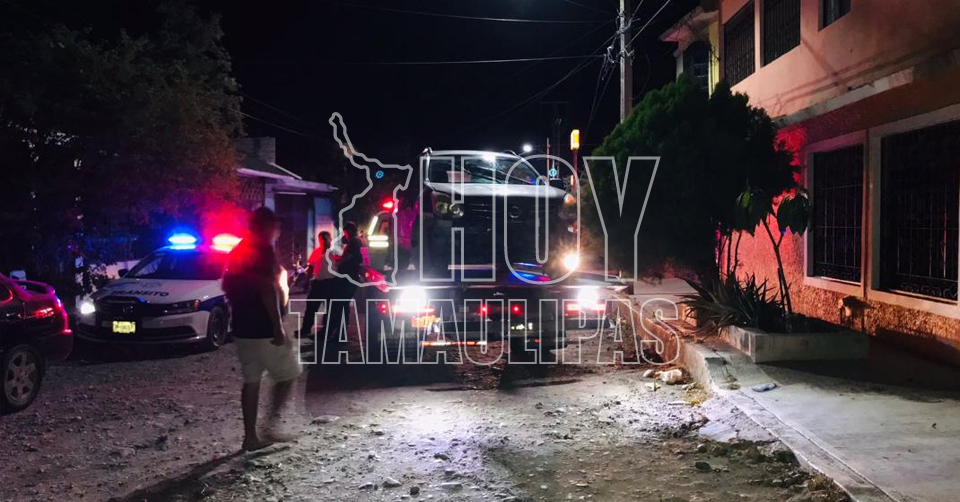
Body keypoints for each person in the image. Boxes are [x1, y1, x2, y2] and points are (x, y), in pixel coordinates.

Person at [222, 207, 301, 451]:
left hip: (242, 328)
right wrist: (277, 325)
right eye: (275, 225)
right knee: (289, 374)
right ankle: (269, 427)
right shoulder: (262, 250)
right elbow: (267, 288)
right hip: (263, 327)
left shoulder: (238, 251)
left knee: (251, 380)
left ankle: (250, 437)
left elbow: (227, 285)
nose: (278, 230)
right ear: (266, 226)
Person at [324, 221, 363, 355]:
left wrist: (338, 261)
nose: (344, 235)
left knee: (341, 305)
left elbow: (347, 258)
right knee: (342, 305)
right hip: (351, 277)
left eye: (345, 233)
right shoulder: (359, 241)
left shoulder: (354, 242)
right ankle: (340, 334)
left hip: (348, 278)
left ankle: (340, 335)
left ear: (349, 231)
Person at [298, 231, 335, 337]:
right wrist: (307, 282)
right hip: (318, 283)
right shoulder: (317, 252)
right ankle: (306, 329)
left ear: (330, 239)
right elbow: (311, 267)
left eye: (325, 239)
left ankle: (326, 331)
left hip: (330, 283)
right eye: (321, 239)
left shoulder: (334, 252)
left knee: (329, 308)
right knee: (311, 307)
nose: (323, 241)